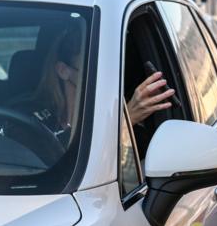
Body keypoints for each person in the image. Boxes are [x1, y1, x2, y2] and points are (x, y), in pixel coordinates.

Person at [31, 24, 174, 147]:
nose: (103, 74)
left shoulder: (109, 116)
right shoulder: (34, 119)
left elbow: (128, 169)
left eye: (107, 65)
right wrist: (127, 119)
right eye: (93, 65)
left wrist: (127, 120)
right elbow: (65, 168)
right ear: (63, 71)